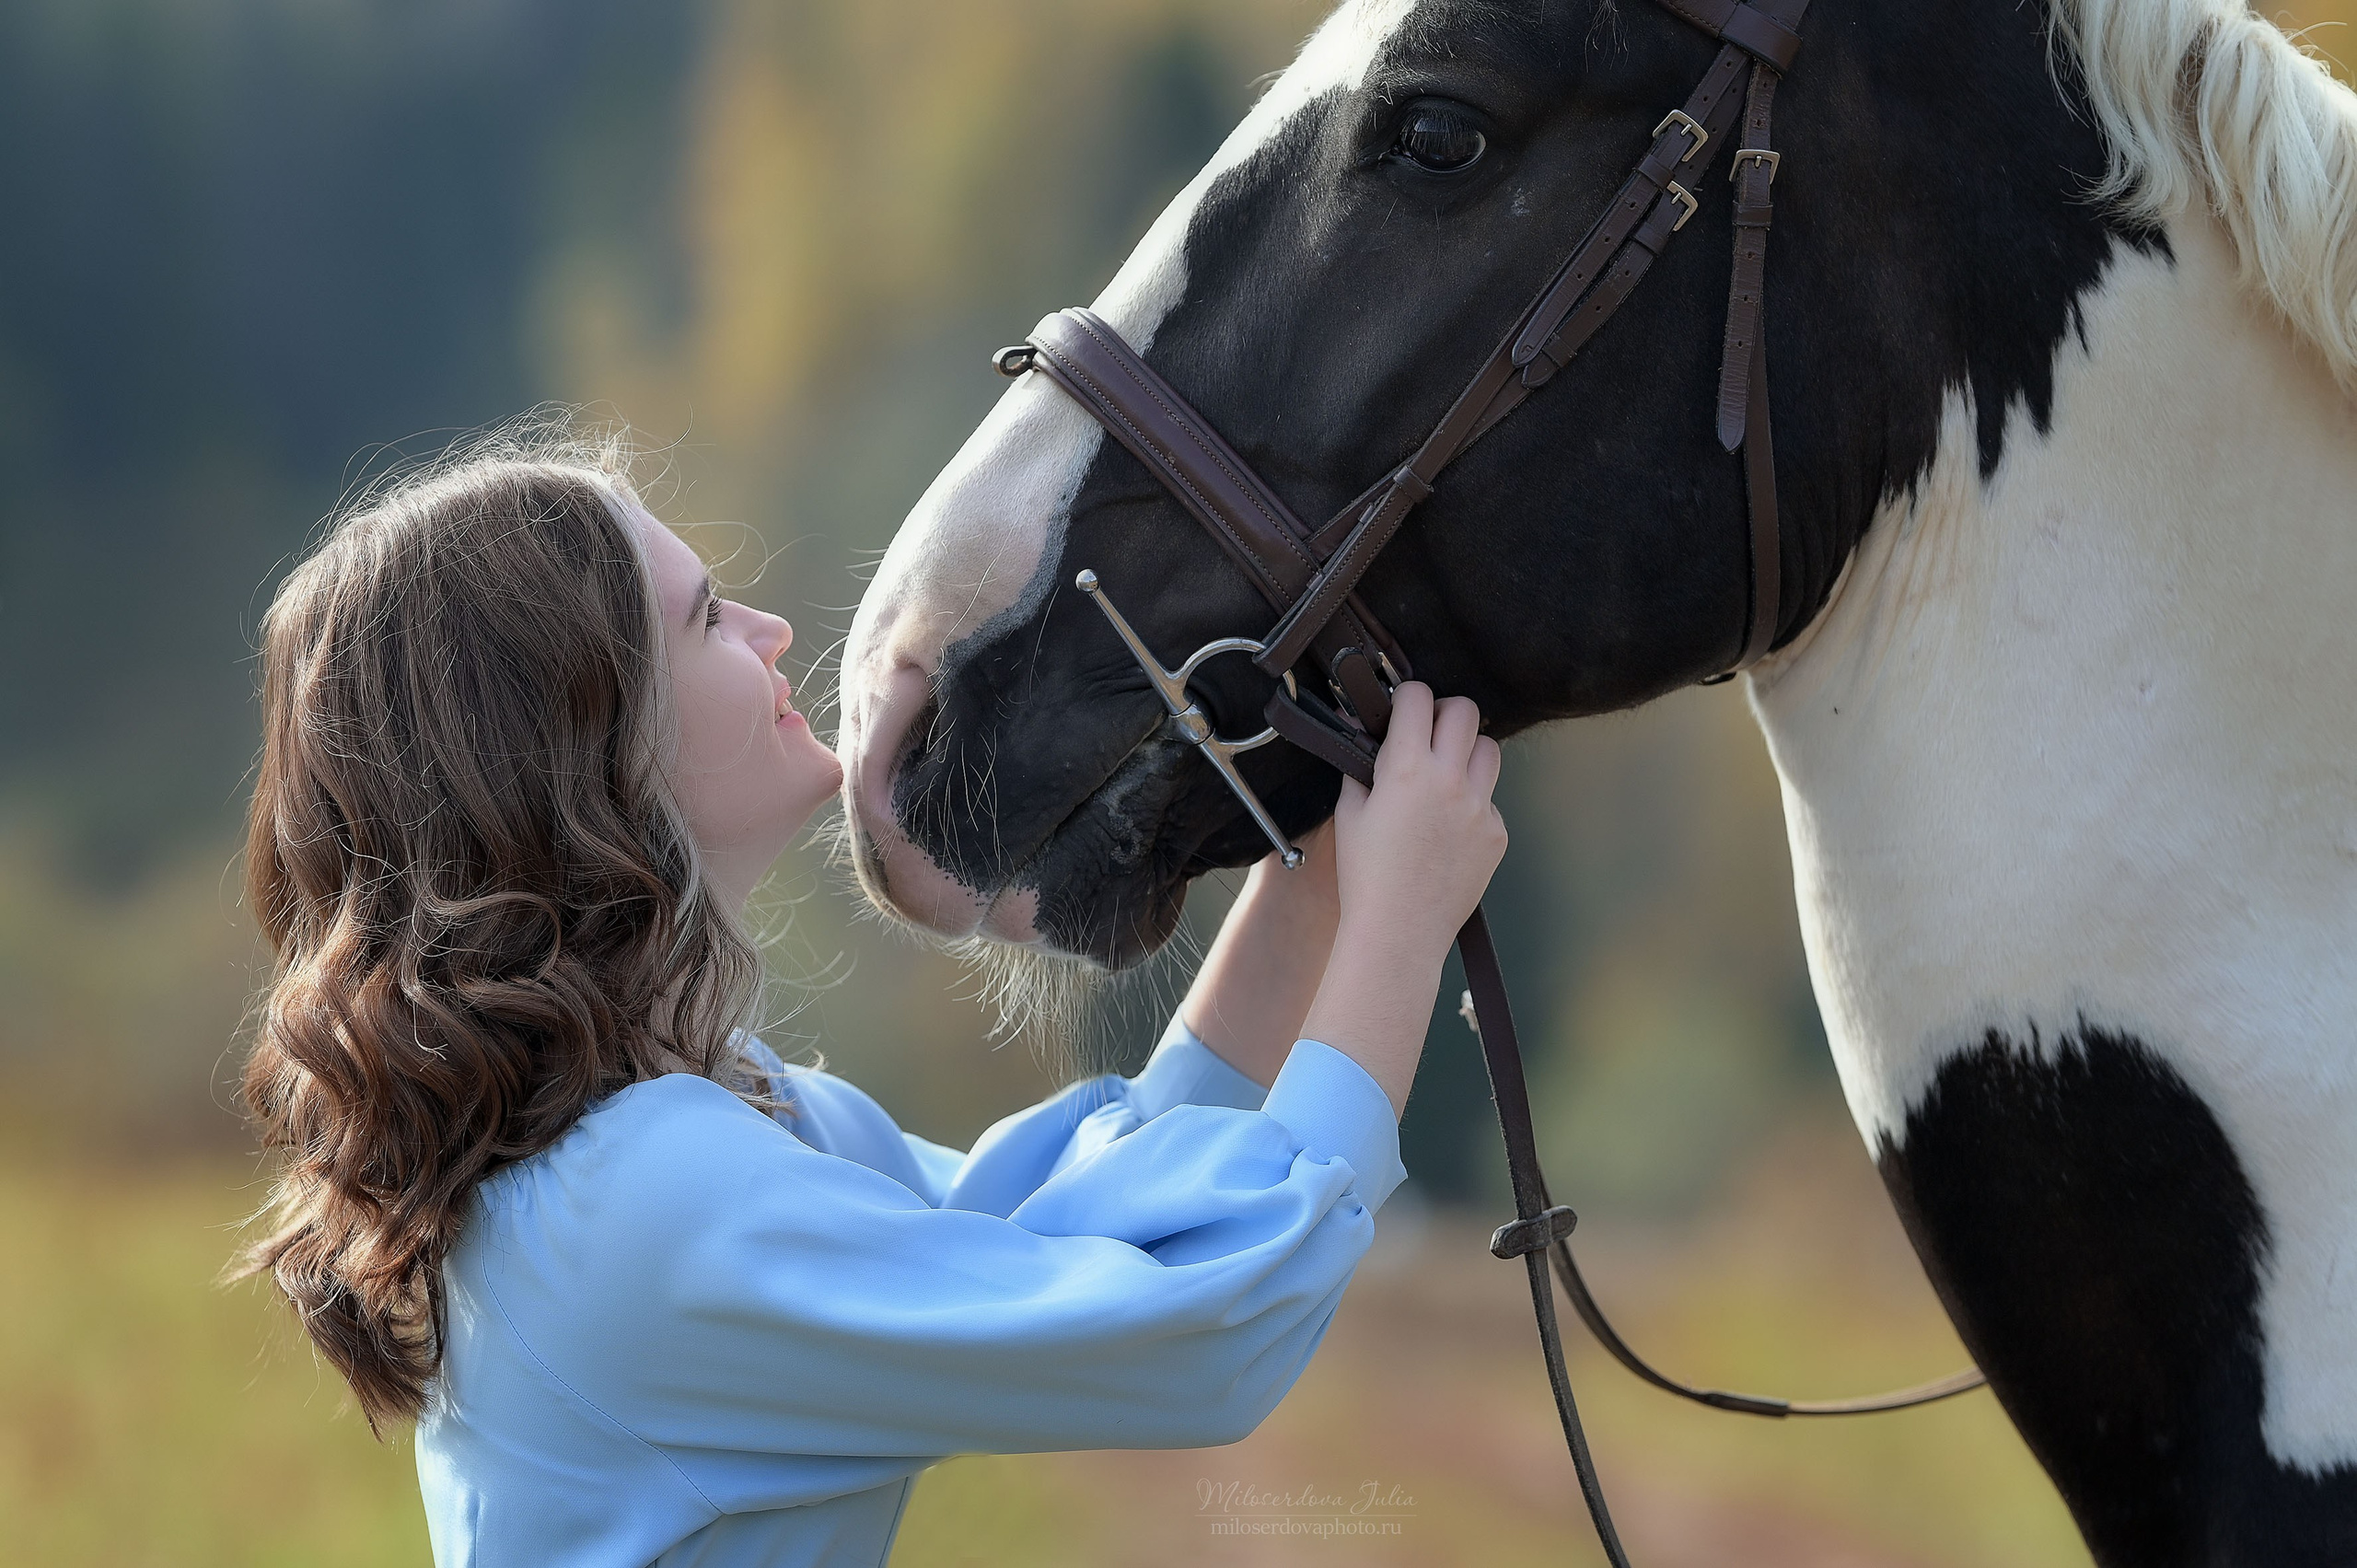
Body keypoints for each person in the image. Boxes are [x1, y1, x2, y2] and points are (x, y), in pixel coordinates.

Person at [235, 425, 1507, 1567]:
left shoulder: (723, 1121)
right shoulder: (641, 1203)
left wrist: (1321, 884)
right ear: (592, 742)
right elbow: (1204, 1331)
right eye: (708, 619)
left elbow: (1063, 1229)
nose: (772, 633)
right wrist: (1400, 930)